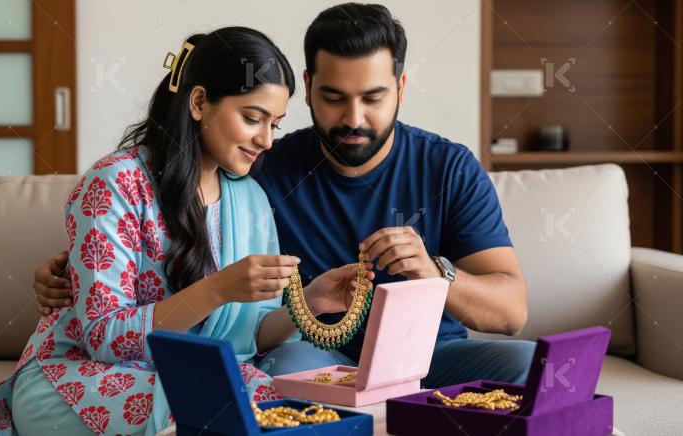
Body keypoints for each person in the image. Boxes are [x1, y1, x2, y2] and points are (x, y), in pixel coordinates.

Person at [35, 3, 535, 393]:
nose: (354, 118)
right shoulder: (257, 167)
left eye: (373, 97)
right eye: (334, 97)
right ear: (309, 88)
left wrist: (436, 272)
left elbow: (511, 313)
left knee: (530, 364)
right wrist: (68, 271)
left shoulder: (449, 168)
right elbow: (160, 217)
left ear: (401, 88)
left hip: (432, 357)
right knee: (283, 371)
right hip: (316, 357)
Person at [0, 26, 372, 435]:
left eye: (274, 125)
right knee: (217, 401)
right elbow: (104, 336)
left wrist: (311, 301)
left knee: (260, 393)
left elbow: (249, 338)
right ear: (200, 102)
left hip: (184, 374)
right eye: (252, 118)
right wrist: (218, 289)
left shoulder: (251, 200)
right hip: (80, 375)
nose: (266, 140)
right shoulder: (115, 183)